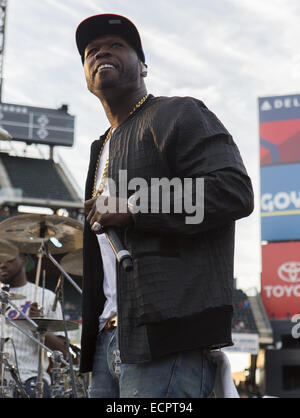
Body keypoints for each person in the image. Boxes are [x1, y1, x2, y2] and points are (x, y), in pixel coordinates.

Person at [75, 13, 254, 398]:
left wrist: (136, 207)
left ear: (143, 65)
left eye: (116, 45)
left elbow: (233, 190)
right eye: (91, 51)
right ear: (86, 76)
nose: (101, 51)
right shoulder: (99, 148)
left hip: (167, 339)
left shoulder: (179, 113)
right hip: (108, 340)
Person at [0, 243, 66, 398]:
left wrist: (38, 326)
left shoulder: (46, 297)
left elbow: (62, 352)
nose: (2, 264)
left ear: (23, 259)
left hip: (31, 378)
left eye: (8, 259)